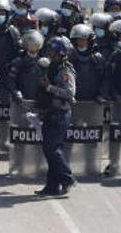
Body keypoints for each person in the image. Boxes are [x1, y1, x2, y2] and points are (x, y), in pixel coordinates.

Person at [35, 37, 77, 196]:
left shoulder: (65, 70)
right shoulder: (52, 67)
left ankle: (67, 177)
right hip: (50, 112)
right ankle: (52, 187)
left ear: (60, 52)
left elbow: (69, 92)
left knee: (53, 149)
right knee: (48, 149)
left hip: (61, 113)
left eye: (53, 50)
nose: (49, 53)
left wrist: (49, 88)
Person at [68, 24, 108, 103]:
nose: (81, 42)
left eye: (83, 40)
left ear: (89, 41)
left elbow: (104, 78)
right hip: (75, 98)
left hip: (94, 98)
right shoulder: (70, 57)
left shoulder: (97, 58)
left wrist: (101, 94)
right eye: (78, 40)